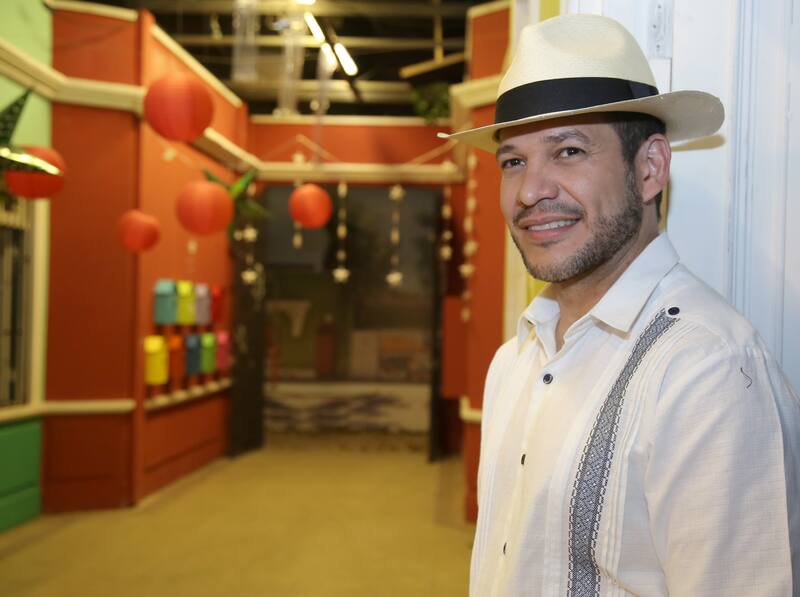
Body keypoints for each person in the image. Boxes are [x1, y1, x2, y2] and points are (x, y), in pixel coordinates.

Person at [441, 13, 800, 597]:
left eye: (568, 150)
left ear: (650, 168)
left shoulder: (707, 372)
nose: (530, 191)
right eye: (513, 161)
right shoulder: (515, 360)